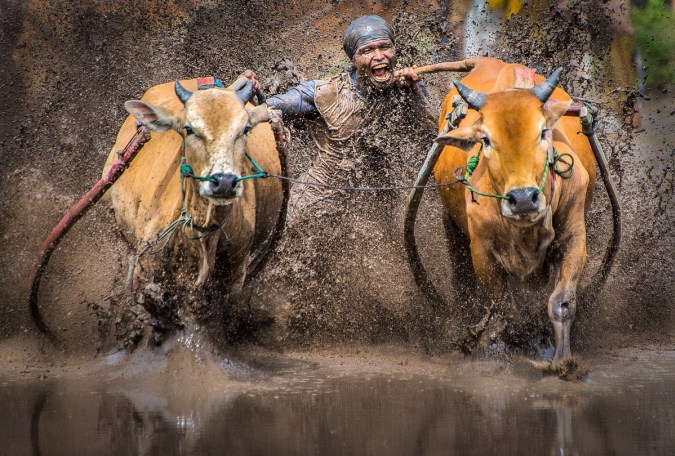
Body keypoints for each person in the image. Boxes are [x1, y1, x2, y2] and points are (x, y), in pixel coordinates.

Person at [242, 15, 439, 346]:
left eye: (385, 47)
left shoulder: (409, 90)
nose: (379, 57)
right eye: (368, 50)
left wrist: (417, 89)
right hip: (317, 196)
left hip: (377, 204)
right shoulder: (325, 92)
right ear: (353, 59)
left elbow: (438, 130)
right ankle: (239, 313)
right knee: (266, 251)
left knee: (397, 279)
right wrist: (260, 104)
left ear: (395, 52)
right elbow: (270, 109)